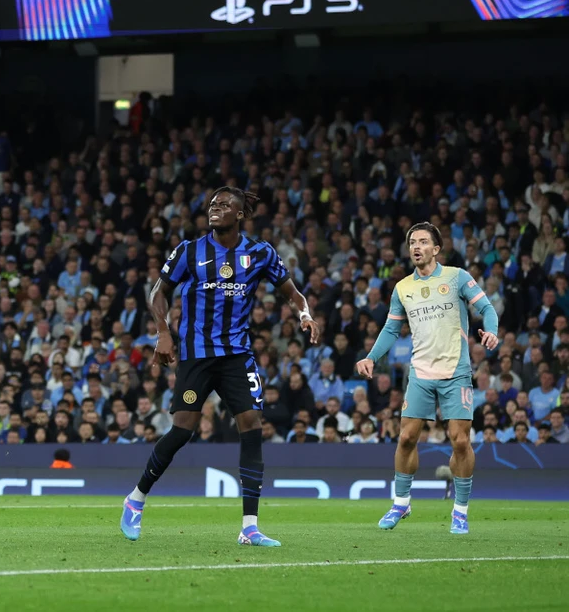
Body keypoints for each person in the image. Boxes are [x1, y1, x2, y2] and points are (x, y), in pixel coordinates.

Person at [119, 188, 320, 546]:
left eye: (225, 205)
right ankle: (135, 499)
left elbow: (292, 292)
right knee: (182, 430)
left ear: (240, 214)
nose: (216, 209)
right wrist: (163, 334)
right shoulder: (189, 250)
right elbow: (158, 292)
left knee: (251, 425)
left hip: (237, 354)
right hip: (197, 353)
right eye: (213, 204)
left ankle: (250, 526)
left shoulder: (260, 252)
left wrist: (304, 314)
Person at [357, 222, 499, 535]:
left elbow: (487, 308)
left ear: (436, 249)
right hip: (421, 372)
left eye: (423, 242)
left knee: (459, 441)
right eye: (412, 242)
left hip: (455, 371)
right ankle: (401, 502)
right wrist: (370, 357)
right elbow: (392, 329)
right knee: (406, 437)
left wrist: (492, 332)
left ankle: (460, 512)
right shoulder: (402, 288)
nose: (416, 247)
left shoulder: (457, 276)